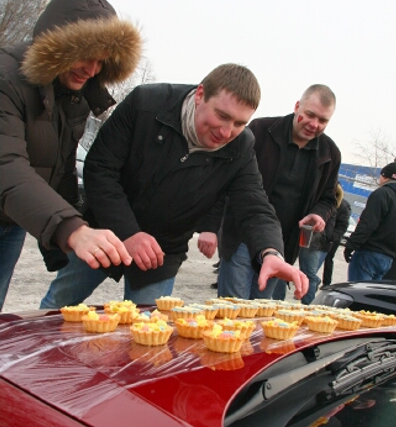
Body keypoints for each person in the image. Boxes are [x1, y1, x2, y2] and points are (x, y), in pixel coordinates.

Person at [40, 63, 309, 308]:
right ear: (200, 94)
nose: (226, 132)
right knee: (58, 306)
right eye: (222, 116)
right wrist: (128, 232)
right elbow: (100, 168)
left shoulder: (241, 146)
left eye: (240, 123)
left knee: (147, 332)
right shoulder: (146, 104)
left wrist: (270, 252)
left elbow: (255, 206)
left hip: (162, 251)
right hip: (105, 231)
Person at [0, 0, 142, 310]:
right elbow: (7, 165)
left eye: (101, 61)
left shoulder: (72, 95)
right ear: (56, 45)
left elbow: (59, 169)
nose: (92, 70)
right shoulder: (6, 79)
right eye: (84, 55)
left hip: (11, 218)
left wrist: (77, 227)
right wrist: (71, 229)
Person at [208, 84, 341, 300]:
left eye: (323, 120)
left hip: (282, 244)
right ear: (297, 107)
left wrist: (318, 214)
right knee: (233, 306)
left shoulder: (330, 153)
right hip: (243, 234)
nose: (314, 124)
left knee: (261, 307)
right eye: (310, 115)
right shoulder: (260, 130)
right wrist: (211, 227)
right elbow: (225, 178)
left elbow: (329, 198)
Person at [344, 162, 396, 281]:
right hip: (389, 257)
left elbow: (368, 223)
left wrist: (351, 244)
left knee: (358, 289)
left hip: (369, 251)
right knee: (370, 290)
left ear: (384, 176)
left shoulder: (382, 194)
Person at [299, 183, 350, 304]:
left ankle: (308, 302)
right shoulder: (316, 198)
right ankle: (308, 288)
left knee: (309, 273)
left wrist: (330, 238)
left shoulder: (341, 205)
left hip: (320, 243)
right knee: (306, 272)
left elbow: (341, 226)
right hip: (305, 237)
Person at [322, 184, 351, 286]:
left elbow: (343, 225)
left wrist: (332, 237)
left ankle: (326, 283)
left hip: (332, 239)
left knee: (328, 259)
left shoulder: (343, 206)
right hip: (320, 236)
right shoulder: (323, 201)